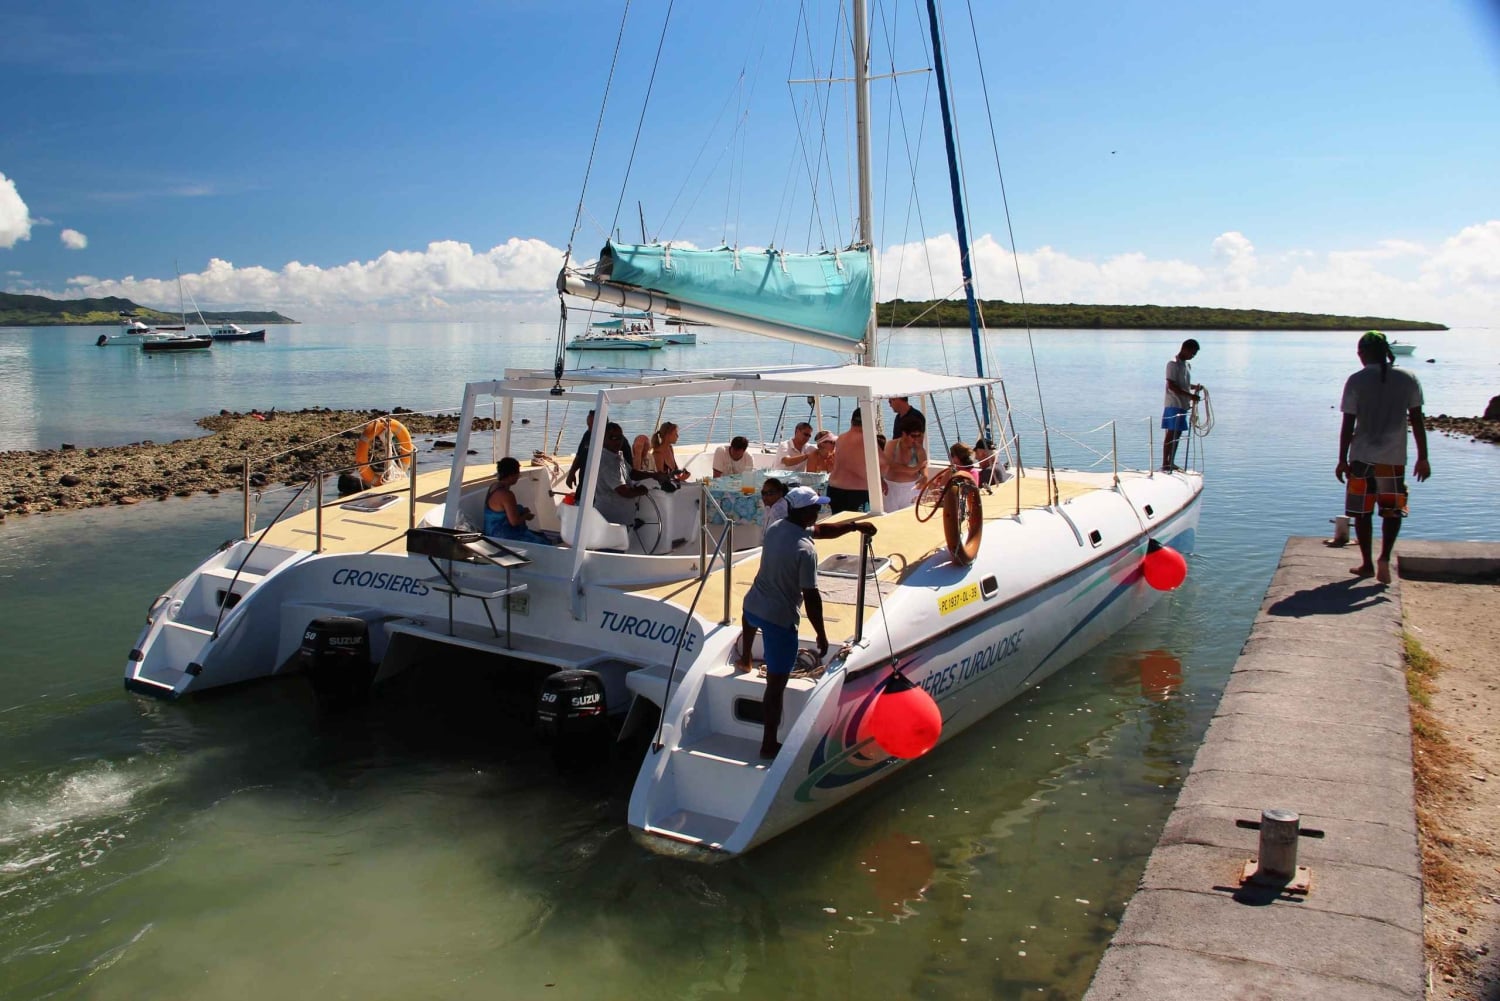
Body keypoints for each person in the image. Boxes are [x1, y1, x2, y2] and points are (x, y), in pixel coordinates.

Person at [736, 486, 877, 757]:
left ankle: (745, 657)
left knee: (748, 616)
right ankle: (768, 743)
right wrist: (821, 635)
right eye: (816, 508)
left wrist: (854, 526)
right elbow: (811, 597)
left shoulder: (777, 527)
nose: (820, 511)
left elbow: (823, 531)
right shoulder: (806, 551)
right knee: (775, 688)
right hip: (779, 620)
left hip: (752, 606)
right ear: (804, 512)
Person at [1336, 330, 1430, 585]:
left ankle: (1367, 563)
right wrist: (1423, 457)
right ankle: (1384, 559)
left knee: (1361, 512)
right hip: (1394, 457)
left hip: (1362, 457)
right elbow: (1417, 420)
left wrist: (1341, 459)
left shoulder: (1356, 380)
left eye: (1360, 352)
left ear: (1364, 353)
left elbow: (1348, 424)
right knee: (1392, 511)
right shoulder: (1408, 378)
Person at [592, 422, 668, 525]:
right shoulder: (606, 461)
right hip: (610, 521)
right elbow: (624, 492)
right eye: (613, 438)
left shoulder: (616, 455)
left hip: (622, 518)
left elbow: (632, 473)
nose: (618, 441)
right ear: (603, 439)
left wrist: (653, 475)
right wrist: (642, 490)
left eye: (620, 437)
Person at [484, 457, 551, 544]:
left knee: (540, 535)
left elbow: (502, 511)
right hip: (501, 536)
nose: (518, 477)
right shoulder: (507, 495)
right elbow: (514, 522)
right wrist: (526, 516)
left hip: (490, 531)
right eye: (518, 474)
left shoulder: (494, 486)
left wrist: (521, 511)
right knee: (545, 543)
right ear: (512, 475)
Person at [1161, 339, 1202, 472]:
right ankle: (1165, 462)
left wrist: (1194, 387)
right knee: (1171, 433)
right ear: (1185, 349)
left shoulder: (1186, 365)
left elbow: (1182, 384)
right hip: (1173, 404)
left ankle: (1171, 461)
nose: (1193, 356)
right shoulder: (1173, 364)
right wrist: (1190, 396)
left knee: (1177, 434)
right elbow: (1171, 385)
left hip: (1183, 405)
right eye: (1192, 353)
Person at [827, 408, 870, 513]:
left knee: (837, 524)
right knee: (856, 525)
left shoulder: (841, 438)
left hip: (835, 488)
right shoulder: (866, 439)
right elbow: (884, 465)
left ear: (851, 421)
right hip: (856, 490)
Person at [882, 415, 927, 511]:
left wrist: (925, 477)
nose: (916, 439)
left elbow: (923, 466)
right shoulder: (891, 445)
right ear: (904, 434)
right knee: (890, 520)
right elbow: (891, 465)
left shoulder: (919, 449)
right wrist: (914, 469)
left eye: (918, 435)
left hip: (912, 488)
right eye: (913, 436)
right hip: (891, 489)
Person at [564, 410, 596, 491]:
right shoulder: (588, 434)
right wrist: (572, 472)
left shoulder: (611, 439)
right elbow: (579, 455)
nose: (589, 429)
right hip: (584, 481)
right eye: (588, 425)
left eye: (592, 425)